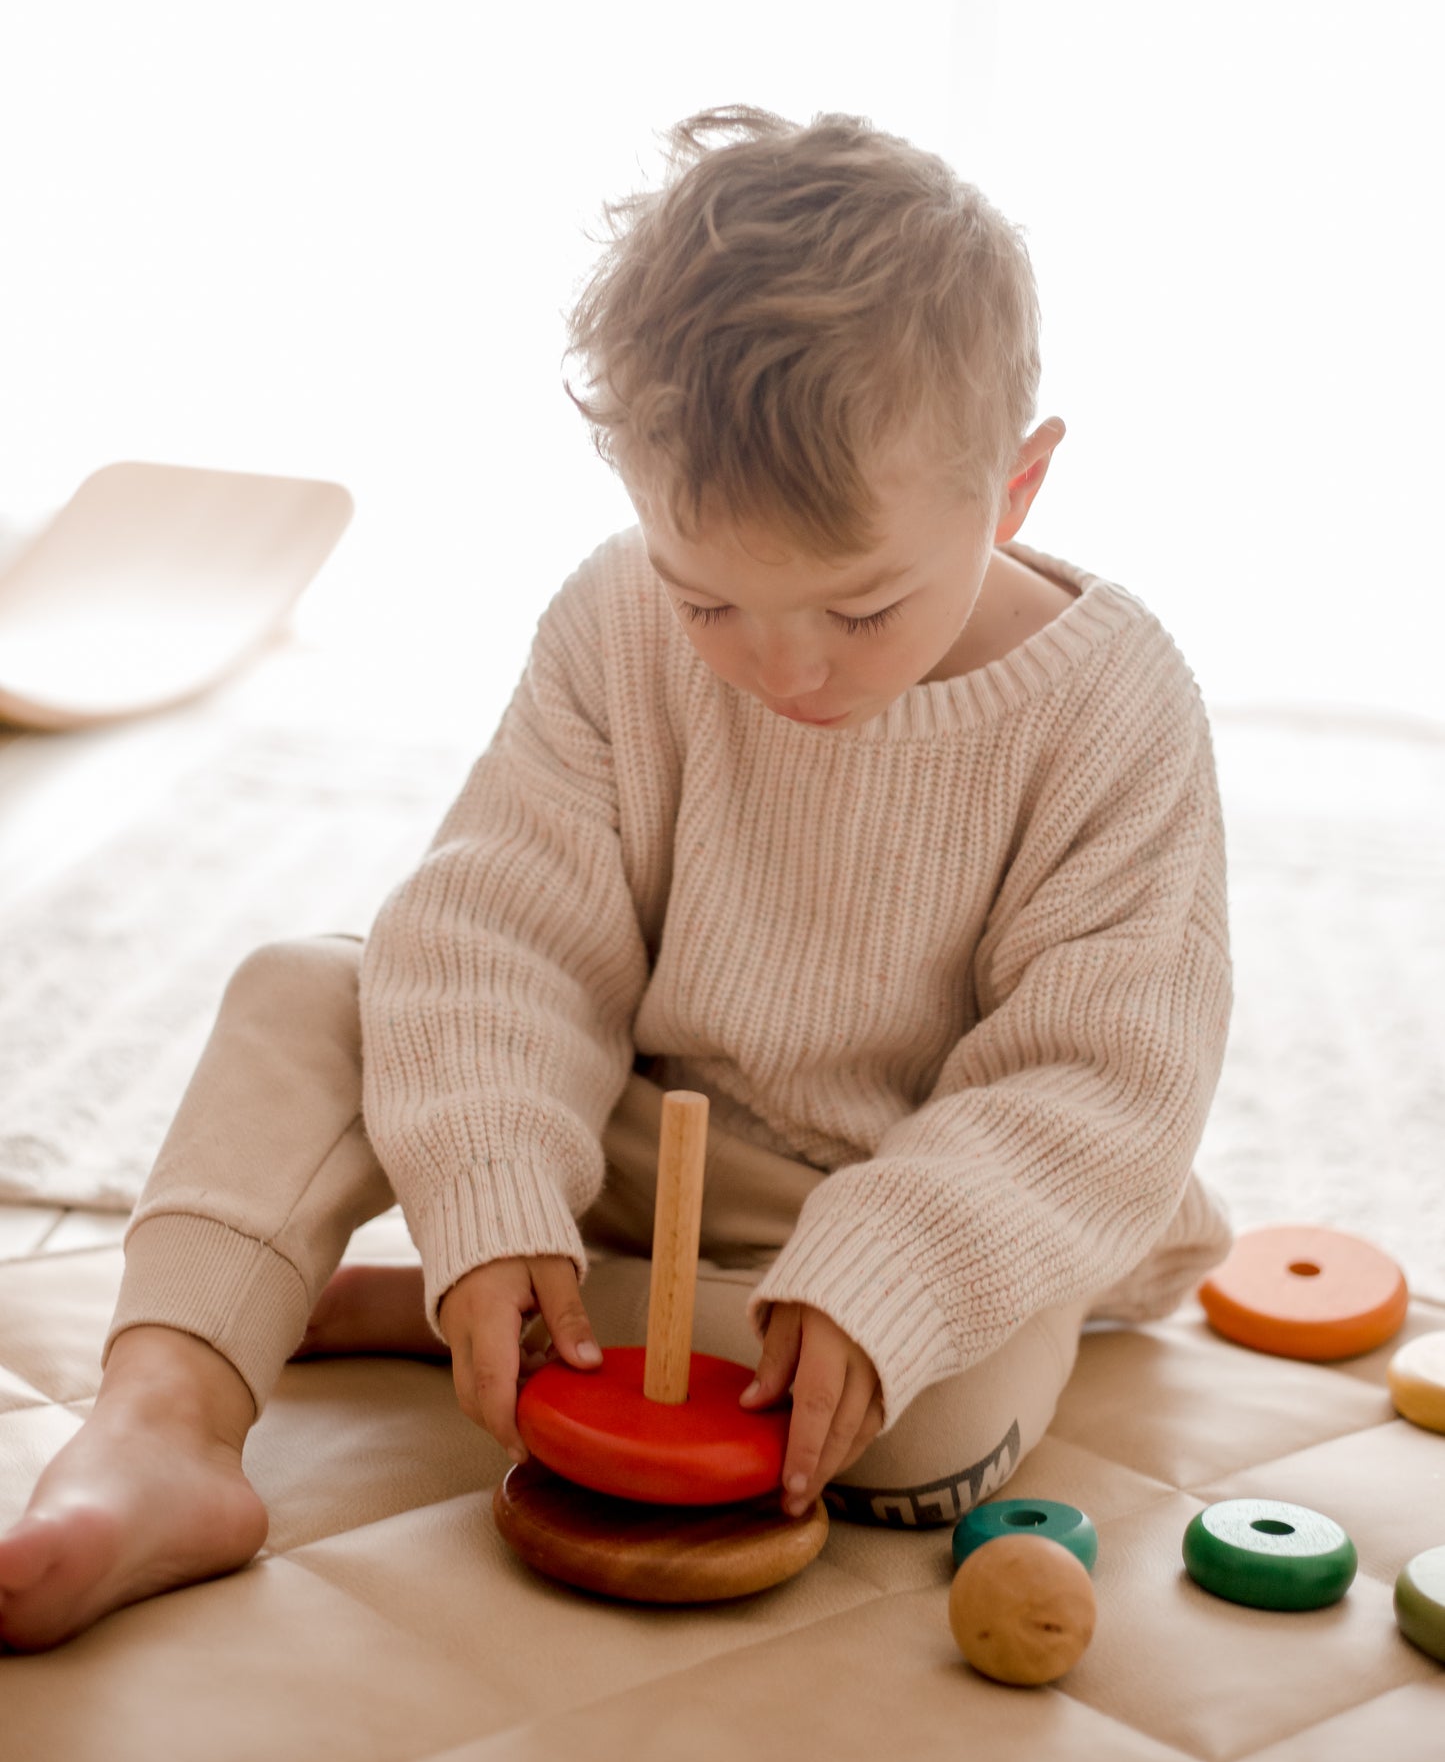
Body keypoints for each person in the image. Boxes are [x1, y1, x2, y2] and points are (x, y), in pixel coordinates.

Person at [0, 104, 1233, 1652]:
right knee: (307, 991)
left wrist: (880, 1283)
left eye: (858, 611)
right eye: (707, 600)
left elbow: (1099, 1080)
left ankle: (486, 1303)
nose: (782, 668)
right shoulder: (611, 618)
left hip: (905, 1186)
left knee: (923, 1424)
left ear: (1013, 491)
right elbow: (505, 933)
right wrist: (496, 1177)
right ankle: (165, 1426)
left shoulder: (1112, 707)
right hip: (638, 1125)